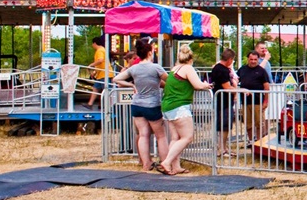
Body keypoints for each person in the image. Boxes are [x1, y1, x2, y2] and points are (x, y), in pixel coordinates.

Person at [113, 38, 168, 171]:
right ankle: (165, 162)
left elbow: (116, 78)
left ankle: (146, 164)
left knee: (143, 135)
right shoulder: (156, 68)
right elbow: (170, 81)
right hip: (152, 104)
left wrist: (132, 84)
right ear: (150, 53)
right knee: (161, 135)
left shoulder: (134, 69)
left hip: (137, 104)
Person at [158, 44, 212, 176]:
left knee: (175, 137)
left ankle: (175, 166)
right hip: (179, 106)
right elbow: (197, 85)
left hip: (167, 106)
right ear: (191, 59)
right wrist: (206, 85)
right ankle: (167, 161)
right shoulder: (188, 68)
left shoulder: (174, 69)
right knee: (187, 137)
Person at [237, 51, 271, 144]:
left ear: (258, 59)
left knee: (259, 123)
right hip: (245, 101)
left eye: (255, 59)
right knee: (248, 123)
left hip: (258, 101)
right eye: (251, 59)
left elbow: (267, 87)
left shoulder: (261, 71)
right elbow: (235, 80)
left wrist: (266, 101)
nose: (253, 61)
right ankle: (251, 140)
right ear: (248, 59)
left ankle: (260, 142)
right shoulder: (242, 69)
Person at [211, 49, 238, 157]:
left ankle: (224, 148)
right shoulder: (222, 70)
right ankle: (221, 149)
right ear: (230, 59)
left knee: (224, 126)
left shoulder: (217, 68)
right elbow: (226, 87)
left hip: (222, 101)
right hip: (224, 102)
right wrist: (241, 90)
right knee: (224, 126)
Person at [86, 36, 113, 108]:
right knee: (96, 88)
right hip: (102, 74)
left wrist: (91, 65)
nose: (92, 45)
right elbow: (102, 64)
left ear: (95, 43)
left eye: (92, 43)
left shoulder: (99, 51)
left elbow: (100, 60)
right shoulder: (103, 49)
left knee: (106, 90)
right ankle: (90, 104)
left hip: (104, 74)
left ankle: (110, 106)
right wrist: (95, 72)